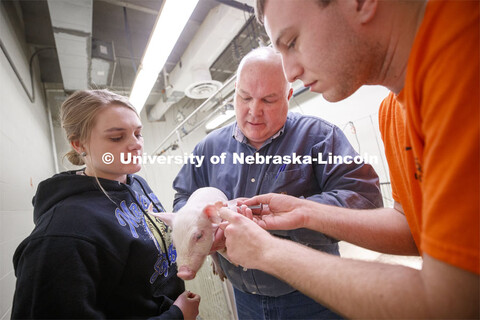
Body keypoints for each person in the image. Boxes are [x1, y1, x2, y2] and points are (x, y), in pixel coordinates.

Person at [218, 0, 480, 318]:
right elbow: (412, 227)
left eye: (292, 42)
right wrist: (305, 211)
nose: (291, 72)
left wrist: (267, 251)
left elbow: (454, 303)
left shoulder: (463, 57)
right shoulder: (393, 112)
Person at [173, 47, 383, 319]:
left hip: (314, 294)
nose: (254, 111)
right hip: (244, 297)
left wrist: (296, 216)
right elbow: (182, 199)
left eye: (269, 100)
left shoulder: (319, 137)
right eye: (245, 97)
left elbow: (366, 200)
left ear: (288, 95)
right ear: (234, 91)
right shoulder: (208, 149)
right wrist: (203, 228)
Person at [11, 90, 200, 319]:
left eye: (138, 133)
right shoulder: (62, 234)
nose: (136, 145)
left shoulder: (136, 183)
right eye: (117, 137)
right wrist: (176, 316)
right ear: (79, 144)